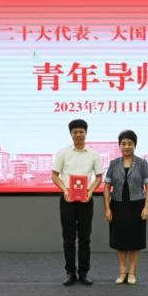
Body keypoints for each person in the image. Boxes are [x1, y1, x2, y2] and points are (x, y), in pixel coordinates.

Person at [51, 119, 104, 286]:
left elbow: (99, 177)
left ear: (86, 133)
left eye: (81, 131)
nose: (79, 134)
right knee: (68, 238)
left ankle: (83, 273)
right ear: (71, 134)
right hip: (67, 199)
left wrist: (90, 191)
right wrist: (65, 190)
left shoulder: (94, 154)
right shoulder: (63, 153)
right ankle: (70, 273)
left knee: (84, 239)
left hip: (86, 200)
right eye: (75, 132)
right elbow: (54, 175)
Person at [103, 129, 148, 285]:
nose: (126, 147)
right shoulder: (113, 164)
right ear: (119, 145)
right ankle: (122, 272)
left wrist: (146, 207)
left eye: (129, 143)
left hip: (137, 206)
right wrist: (107, 208)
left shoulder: (142, 163)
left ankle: (132, 273)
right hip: (117, 206)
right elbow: (107, 187)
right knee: (120, 241)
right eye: (123, 143)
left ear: (134, 145)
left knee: (135, 241)